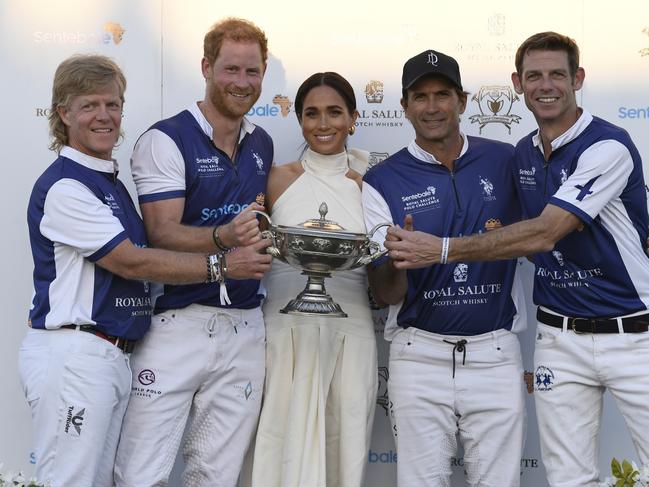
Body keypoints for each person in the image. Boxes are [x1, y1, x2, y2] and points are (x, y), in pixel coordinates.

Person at [386, 32, 649, 487]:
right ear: (517, 83)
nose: (545, 86)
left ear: (578, 79)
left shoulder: (608, 145)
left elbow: (546, 233)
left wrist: (443, 249)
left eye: (557, 75)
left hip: (634, 333)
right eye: (533, 76)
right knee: (569, 479)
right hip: (557, 338)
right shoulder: (521, 153)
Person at [20, 54, 241, 487]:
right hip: (77, 356)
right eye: (90, 106)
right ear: (63, 113)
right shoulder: (67, 185)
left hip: (110, 356)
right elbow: (129, 260)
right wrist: (222, 264)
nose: (105, 116)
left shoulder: (110, 182)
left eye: (113, 105)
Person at [113, 18, 273, 486]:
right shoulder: (166, 138)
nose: (242, 83)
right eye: (231, 69)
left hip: (245, 325)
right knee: (141, 474)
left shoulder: (260, 142)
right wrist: (226, 239)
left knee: (216, 475)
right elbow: (161, 232)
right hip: (177, 321)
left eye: (252, 72)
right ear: (206, 67)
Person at [362, 50, 527, 487]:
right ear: (404, 106)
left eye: (442, 95)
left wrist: (442, 250)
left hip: (494, 352)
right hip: (420, 356)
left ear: (463, 100)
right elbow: (386, 293)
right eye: (420, 96)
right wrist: (399, 259)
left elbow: (540, 234)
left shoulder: (505, 160)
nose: (432, 107)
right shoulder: (382, 179)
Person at [249, 72, 377, 487]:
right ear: (300, 120)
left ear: (353, 118)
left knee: (344, 437)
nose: (324, 124)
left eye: (335, 112)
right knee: (277, 438)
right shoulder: (274, 178)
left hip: (351, 325)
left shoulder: (370, 185)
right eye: (312, 113)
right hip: (282, 325)